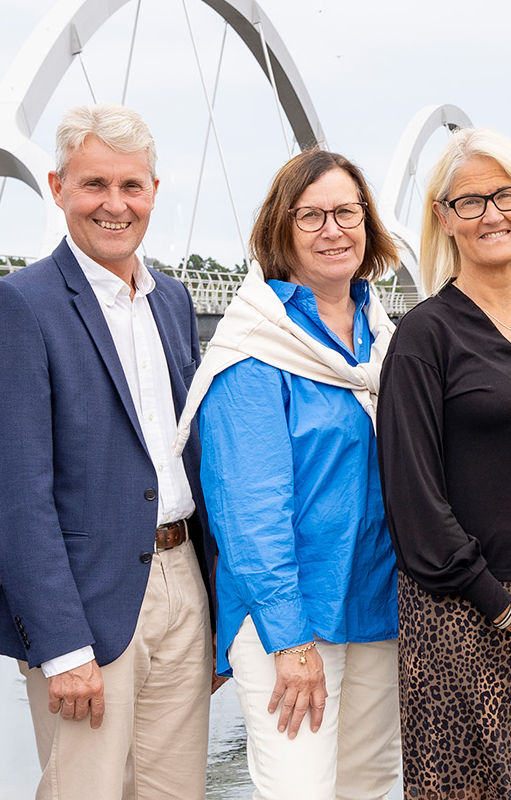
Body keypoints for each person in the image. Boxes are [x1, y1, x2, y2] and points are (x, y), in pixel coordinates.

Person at [0, 103, 214, 799]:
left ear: (155, 193)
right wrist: (62, 644)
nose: (115, 204)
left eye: (131, 186)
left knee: (175, 790)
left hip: (181, 579)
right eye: (94, 184)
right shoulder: (20, 305)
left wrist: (217, 606)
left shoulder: (172, 299)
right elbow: (16, 493)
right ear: (56, 187)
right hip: (85, 601)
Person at [376, 128, 511, 798]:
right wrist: (501, 606)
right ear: (444, 218)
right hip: (460, 614)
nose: (492, 214)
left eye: (506, 195)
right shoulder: (425, 336)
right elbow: (414, 501)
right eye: (470, 201)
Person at [178, 149, 401, 799]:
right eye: (312, 216)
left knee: (369, 788)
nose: (332, 229)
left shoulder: (384, 339)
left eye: (345, 212)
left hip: (379, 606)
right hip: (293, 620)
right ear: (282, 228)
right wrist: (290, 639)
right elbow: (248, 514)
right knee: (298, 790)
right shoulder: (256, 346)